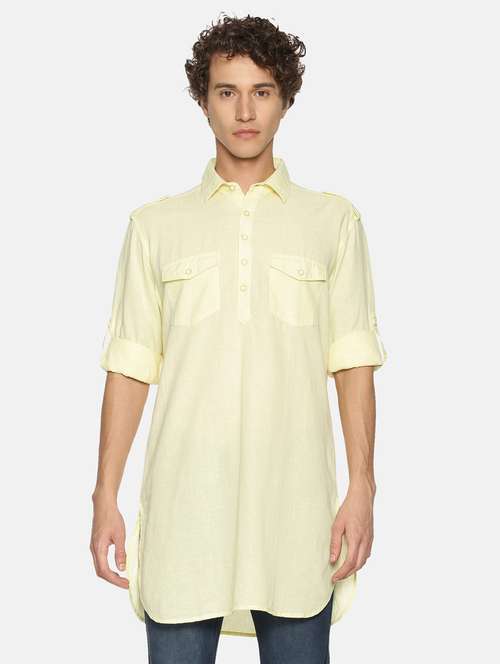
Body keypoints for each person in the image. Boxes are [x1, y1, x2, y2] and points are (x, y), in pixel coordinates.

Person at [90, 13, 387, 664]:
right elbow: (130, 366)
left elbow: (354, 362)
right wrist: (104, 495)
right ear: (204, 101)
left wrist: (363, 487)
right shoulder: (155, 226)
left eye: (262, 92)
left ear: (285, 100)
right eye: (227, 91)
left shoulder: (333, 221)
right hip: (184, 514)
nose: (245, 111)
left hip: (297, 517)